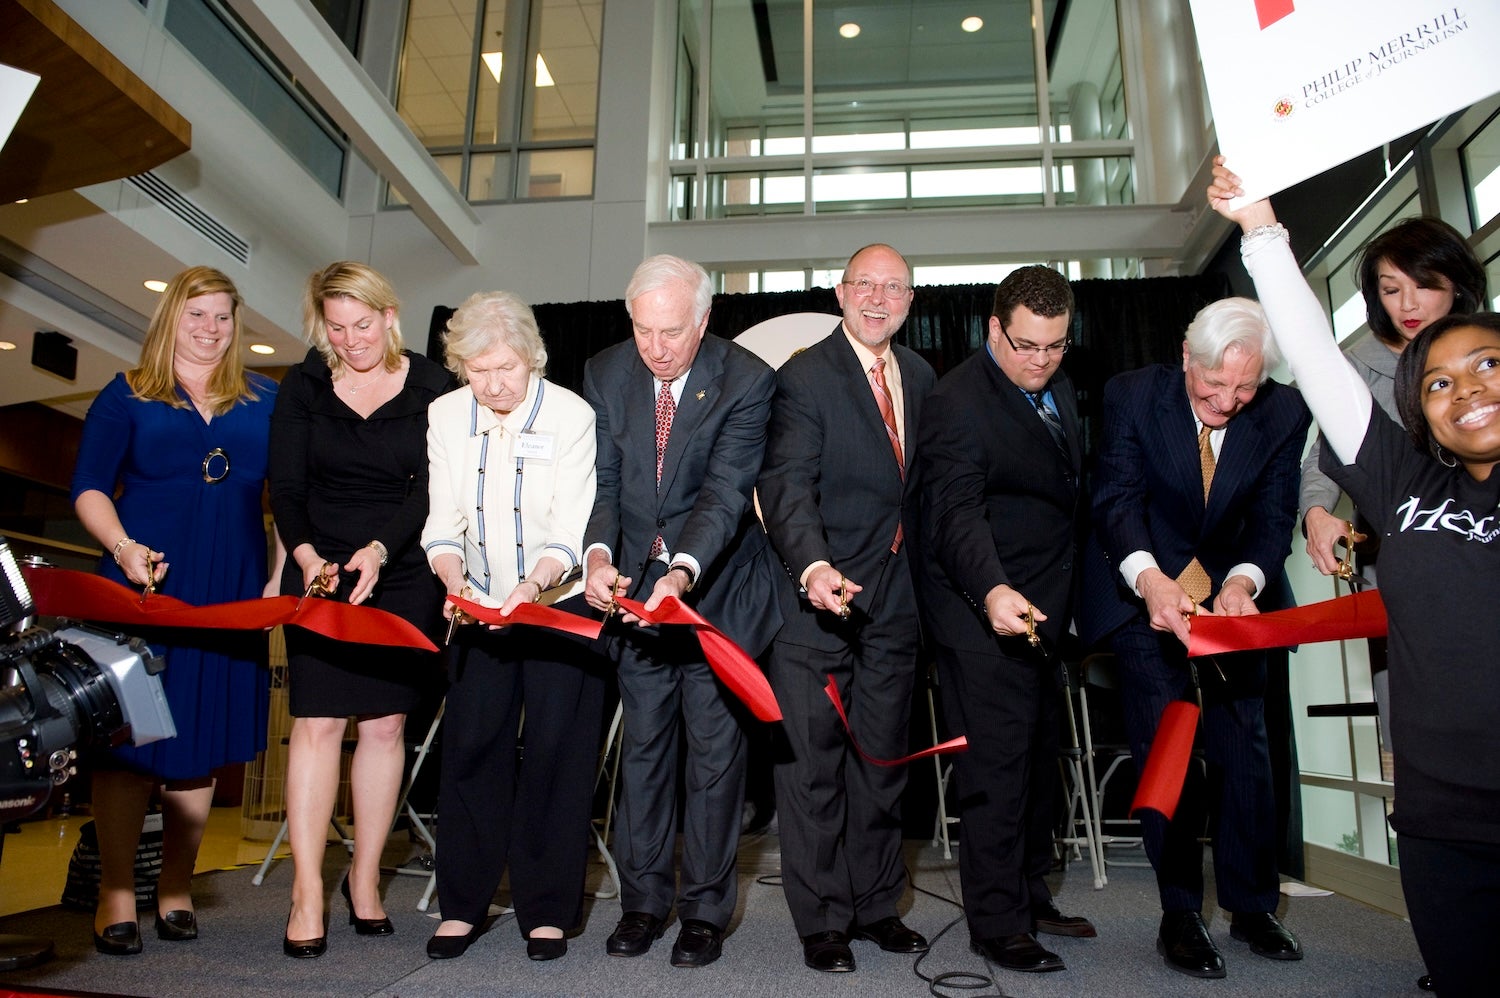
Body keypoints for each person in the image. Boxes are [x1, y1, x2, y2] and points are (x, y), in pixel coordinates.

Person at [1210, 160, 1500, 997]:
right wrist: (1260, 228)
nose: (1465, 390)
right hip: (1441, 815)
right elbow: (1312, 356)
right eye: (1439, 381)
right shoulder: (1405, 482)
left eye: (1485, 365)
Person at [1079, 292, 1311, 979]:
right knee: (1170, 751)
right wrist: (1151, 582)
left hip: (1233, 602)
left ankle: (1251, 905)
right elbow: (1116, 500)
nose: (1231, 400)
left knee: (1247, 751)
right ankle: (1179, 911)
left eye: (1246, 385)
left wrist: (1243, 583)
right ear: (1186, 358)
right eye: (1215, 383)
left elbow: (1273, 520)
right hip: (1147, 588)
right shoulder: (1132, 395)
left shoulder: (1283, 410)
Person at [70, 266, 281, 956]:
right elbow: (90, 489)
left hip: (232, 589)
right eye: (197, 315)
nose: (211, 329)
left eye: (222, 316)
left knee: (197, 744)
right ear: (171, 321)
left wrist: (277, 581)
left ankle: (177, 888)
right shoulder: (126, 394)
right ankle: (117, 893)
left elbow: (289, 499)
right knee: (130, 745)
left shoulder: (266, 399)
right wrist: (123, 546)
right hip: (142, 583)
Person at [580, 254, 782, 969]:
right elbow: (602, 482)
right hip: (633, 596)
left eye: (671, 331)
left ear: (703, 321)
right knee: (643, 752)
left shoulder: (747, 379)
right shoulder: (606, 373)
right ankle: (641, 904)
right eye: (642, 330)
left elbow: (725, 495)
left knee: (714, 757)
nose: (655, 348)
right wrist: (599, 556)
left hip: (716, 595)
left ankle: (703, 910)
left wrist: (679, 573)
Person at [756, 244, 937, 973]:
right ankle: (823, 920)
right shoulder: (804, 375)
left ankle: (874, 906)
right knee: (812, 772)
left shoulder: (921, 377)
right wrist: (814, 566)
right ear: (840, 292)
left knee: (883, 765)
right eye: (865, 284)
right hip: (815, 605)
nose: (877, 297)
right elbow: (786, 485)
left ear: (909, 301)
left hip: (897, 607)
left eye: (892, 287)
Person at [911, 265, 1096, 975]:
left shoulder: (1057, 385)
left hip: (1043, 613)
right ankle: (996, 923)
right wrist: (991, 589)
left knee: (1038, 763)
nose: (1040, 361)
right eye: (1025, 346)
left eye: (1054, 347)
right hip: (979, 609)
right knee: (995, 767)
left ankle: (1027, 892)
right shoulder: (957, 400)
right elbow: (954, 514)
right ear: (994, 328)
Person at [268, 262, 452, 958]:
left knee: (385, 724)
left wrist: (380, 548)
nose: (352, 341)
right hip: (318, 565)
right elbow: (285, 486)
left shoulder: (434, 383)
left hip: (400, 565)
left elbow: (435, 489)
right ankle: (307, 889)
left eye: (363, 325)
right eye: (337, 329)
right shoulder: (303, 384)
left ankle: (366, 879)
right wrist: (308, 556)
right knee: (315, 722)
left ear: (389, 314)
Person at [418, 291, 604, 962]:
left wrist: (529, 591)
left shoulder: (572, 414)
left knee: (557, 750)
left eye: (506, 369)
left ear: (533, 358)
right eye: (477, 369)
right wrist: (452, 579)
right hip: (477, 606)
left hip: (558, 602)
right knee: (471, 747)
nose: (492, 385)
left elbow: (570, 525)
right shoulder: (444, 415)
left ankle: (548, 912)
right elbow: (443, 521)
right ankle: (462, 906)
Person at [1296, 217, 1486, 754]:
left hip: (1483, 552)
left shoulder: (1490, 354)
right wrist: (1316, 512)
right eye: (1391, 289)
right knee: (1411, 711)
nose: (1408, 304)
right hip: (1399, 559)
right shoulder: (1361, 368)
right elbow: (1325, 456)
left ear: (1456, 286)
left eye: (1423, 285)